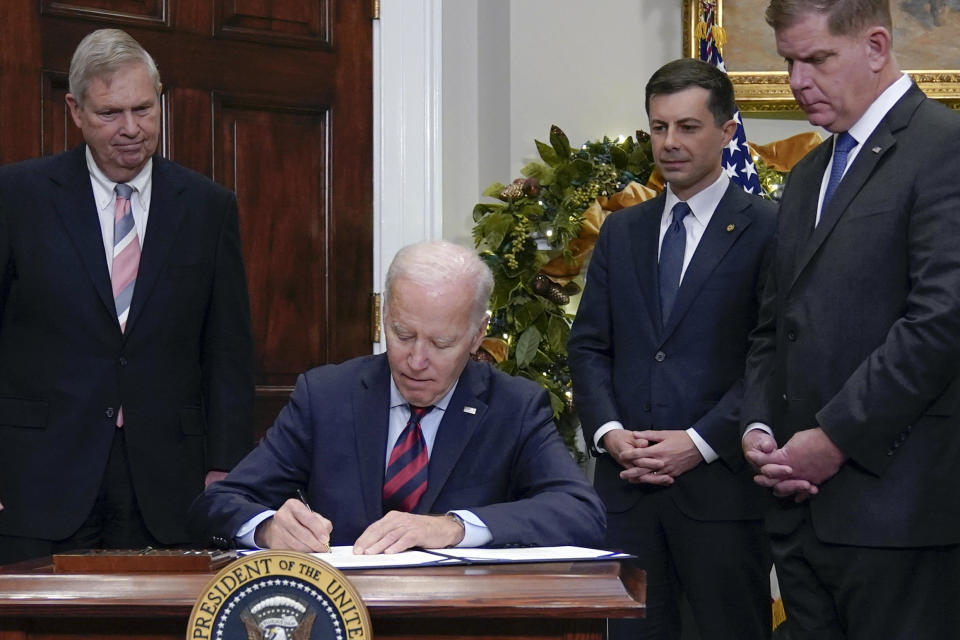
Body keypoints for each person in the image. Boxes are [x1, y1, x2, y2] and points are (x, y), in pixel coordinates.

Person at [741, 1, 960, 637]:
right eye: (788, 61)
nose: (797, 81)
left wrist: (834, 438)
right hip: (800, 513)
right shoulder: (810, 172)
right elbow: (772, 324)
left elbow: (941, 321)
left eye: (817, 59)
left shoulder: (943, 148)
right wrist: (758, 425)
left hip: (899, 515)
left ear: (875, 46)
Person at [0, 29, 254, 564]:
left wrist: (226, 468)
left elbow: (228, 348)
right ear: (75, 109)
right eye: (110, 113)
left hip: (168, 480)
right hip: (37, 475)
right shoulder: (17, 198)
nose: (132, 129)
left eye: (144, 108)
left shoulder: (208, 208)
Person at [188, 241, 605, 553]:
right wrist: (266, 528)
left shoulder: (514, 406)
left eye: (441, 343)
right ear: (384, 316)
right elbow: (218, 503)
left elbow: (580, 512)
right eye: (402, 335)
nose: (416, 360)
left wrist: (453, 528)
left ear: (478, 335)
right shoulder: (327, 396)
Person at [567, 58, 776, 640]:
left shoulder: (769, 227)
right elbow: (588, 348)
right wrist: (609, 433)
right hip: (626, 497)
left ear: (727, 131)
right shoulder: (621, 230)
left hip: (723, 499)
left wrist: (701, 443)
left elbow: (773, 357)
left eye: (687, 127)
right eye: (659, 128)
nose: (670, 143)